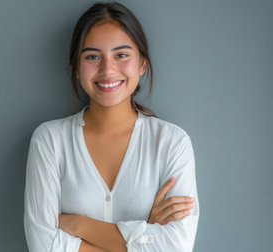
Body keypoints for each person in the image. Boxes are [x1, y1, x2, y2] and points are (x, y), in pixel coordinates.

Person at [24, 2, 199, 251]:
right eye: (93, 56)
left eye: (121, 55)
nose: (107, 70)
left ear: (142, 65)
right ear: (76, 68)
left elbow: (177, 246)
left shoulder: (172, 143)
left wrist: (77, 224)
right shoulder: (49, 141)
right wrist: (143, 234)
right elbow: (42, 246)